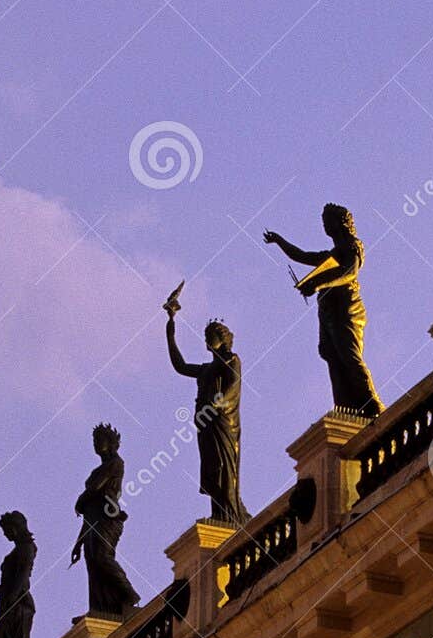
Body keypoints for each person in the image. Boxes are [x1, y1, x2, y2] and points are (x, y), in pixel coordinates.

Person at [264, 204, 382, 418]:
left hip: (347, 307)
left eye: (328, 219)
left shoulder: (352, 245)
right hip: (328, 310)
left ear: (341, 222)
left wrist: (316, 284)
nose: (324, 224)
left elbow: (349, 272)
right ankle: (345, 406)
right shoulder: (332, 253)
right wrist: (279, 241)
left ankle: (371, 402)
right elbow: (300, 255)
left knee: (348, 354)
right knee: (331, 354)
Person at [163, 282, 248, 526]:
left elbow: (232, 387)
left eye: (210, 335)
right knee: (212, 470)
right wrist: (171, 328)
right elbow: (180, 365)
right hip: (206, 425)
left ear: (222, 338)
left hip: (224, 423)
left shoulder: (231, 360)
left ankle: (231, 516)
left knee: (224, 468)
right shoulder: (206, 369)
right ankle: (220, 514)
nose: (207, 339)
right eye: (205, 336)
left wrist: (215, 405)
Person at [70, 424, 140, 617]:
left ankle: (129, 595)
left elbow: (95, 487)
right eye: (94, 440)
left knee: (102, 557)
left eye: (99, 440)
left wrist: (80, 500)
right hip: (95, 518)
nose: (95, 444)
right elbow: (88, 516)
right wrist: (78, 542)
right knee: (92, 563)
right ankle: (100, 608)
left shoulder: (116, 463)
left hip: (108, 518)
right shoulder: (102, 467)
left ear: (111, 443)